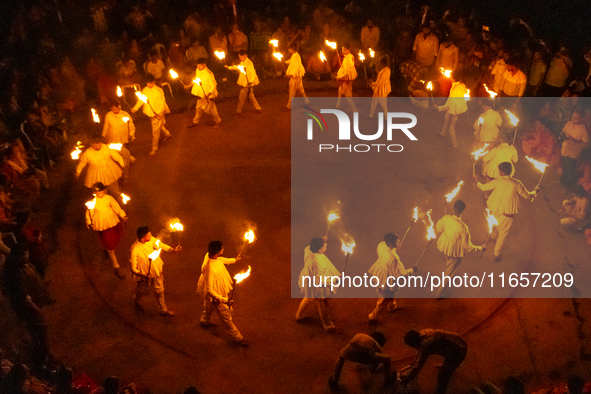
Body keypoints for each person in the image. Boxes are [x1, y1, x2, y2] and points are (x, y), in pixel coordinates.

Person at [476, 162, 537, 261]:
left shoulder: (498, 182)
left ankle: (493, 236)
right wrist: (534, 192)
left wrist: (476, 181)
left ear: (502, 172)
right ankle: (496, 253)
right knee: (503, 233)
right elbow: (527, 195)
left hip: (494, 207)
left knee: (494, 225)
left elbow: (483, 187)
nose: (498, 171)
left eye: (499, 170)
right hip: (507, 213)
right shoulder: (516, 183)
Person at [196, 241, 249, 347]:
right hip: (216, 293)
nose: (223, 250)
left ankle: (204, 320)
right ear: (217, 252)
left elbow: (221, 260)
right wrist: (224, 300)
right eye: (222, 249)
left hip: (214, 287)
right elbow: (210, 290)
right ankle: (238, 338)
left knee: (208, 305)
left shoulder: (209, 255)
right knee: (225, 316)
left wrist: (234, 260)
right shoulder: (210, 268)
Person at [435, 200, 484, 298]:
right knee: (449, 274)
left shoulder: (446, 218)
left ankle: (449, 265)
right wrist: (480, 248)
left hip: (445, 246)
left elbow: (438, 229)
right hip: (455, 251)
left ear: (453, 208)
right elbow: (468, 246)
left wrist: (442, 220)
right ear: (463, 211)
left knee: (449, 262)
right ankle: (439, 294)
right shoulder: (463, 227)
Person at [130, 226, 180, 316]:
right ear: (142, 238)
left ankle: (163, 310)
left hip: (156, 270)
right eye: (148, 235)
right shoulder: (135, 249)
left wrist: (172, 250)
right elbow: (133, 268)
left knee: (159, 290)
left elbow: (160, 245)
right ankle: (136, 300)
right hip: (144, 274)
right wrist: (142, 275)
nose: (151, 236)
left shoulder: (151, 239)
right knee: (142, 290)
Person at [400, 329, 468, 394]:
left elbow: (417, 367)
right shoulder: (424, 332)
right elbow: (419, 355)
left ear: (414, 343)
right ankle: (449, 365)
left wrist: (406, 380)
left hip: (459, 351)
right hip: (459, 341)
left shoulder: (426, 345)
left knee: (443, 375)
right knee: (448, 352)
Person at [367, 233, 415, 324]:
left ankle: (392, 306)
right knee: (386, 297)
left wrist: (394, 249)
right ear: (390, 245)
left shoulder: (381, 244)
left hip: (379, 273)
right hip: (387, 279)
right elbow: (399, 275)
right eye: (397, 242)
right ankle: (373, 316)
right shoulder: (394, 259)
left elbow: (387, 252)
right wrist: (412, 270)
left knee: (389, 293)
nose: (399, 242)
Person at [296, 236, 341, 332]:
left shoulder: (308, 249)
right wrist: (333, 281)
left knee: (308, 297)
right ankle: (328, 326)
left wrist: (321, 239)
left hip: (309, 279)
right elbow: (319, 281)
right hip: (318, 286)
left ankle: (298, 315)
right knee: (323, 305)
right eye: (324, 245)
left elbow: (312, 244)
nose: (326, 244)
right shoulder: (318, 262)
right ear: (320, 250)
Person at [328, 332, 394, 392]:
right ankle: (388, 379)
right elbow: (380, 355)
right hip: (366, 355)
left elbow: (349, 346)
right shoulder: (373, 341)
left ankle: (334, 381)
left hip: (351, 352)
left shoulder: (360, 335)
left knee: (340, 358)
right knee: (387, 358)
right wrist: (375, 366)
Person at [86, 182, 127, 278]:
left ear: (104, 190)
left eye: (100, 191)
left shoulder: (109, 198)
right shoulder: (93, 202)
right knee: (110, 246)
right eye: (97, 192)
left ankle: (109, 250)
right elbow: (89, 214)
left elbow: (116, 207)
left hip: (113, 223)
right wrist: (89, 223)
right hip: (102, 226)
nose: (99, 194)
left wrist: (123, 215)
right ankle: (116, 267)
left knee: (116, 237)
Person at [131, 75, 172, 155]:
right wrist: (135, 108)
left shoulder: (158, 90)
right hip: (150, 113)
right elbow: (141, 100)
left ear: (154, 82)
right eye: (147, 83)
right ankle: (167, 134)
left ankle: (154, 148)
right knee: (158, 125)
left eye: (151, 83)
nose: (149, 85)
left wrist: (159, 113)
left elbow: (162, 103)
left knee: (155, 131)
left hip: (158, 113)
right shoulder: (145, 90)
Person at [75, 134, 125, 199]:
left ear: (101, 143)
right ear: (91, 144)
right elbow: (82, 163)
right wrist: (78, 172)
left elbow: (116, 156)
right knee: (99, 187)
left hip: (109, 170)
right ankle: (103, 198)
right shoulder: (87, 153)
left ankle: (115, 195)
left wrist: (122, 163)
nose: (97, 147)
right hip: (95, 173)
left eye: (98, 145)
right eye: (95, 146)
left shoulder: (106, 148)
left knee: (112, 185)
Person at [102, 100, 135, 182]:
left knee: (124, 152)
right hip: (113, 137)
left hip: (123, 137)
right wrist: (103, 136)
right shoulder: (108, 115)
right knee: (114, 152)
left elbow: (130, 125)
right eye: (115, 109)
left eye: (118, 109)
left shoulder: (125, 114)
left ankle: (126, 166)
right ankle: (118, 165)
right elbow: (106, 126)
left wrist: (131, 135)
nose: (117, 111)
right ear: (111, 108)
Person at [560, 110, 589, 190]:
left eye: (576, 118)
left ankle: (568, 187)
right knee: (564, 168)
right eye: (573, 117)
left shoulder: (583, 130)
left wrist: (575, 141)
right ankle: (563, 182)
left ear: (581, 119)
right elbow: (563, 133)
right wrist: (564, 137)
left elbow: (586, 143)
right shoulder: (569, 124)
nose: (573, 119)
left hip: (573, 153)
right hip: (564, 150)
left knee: (570, 171)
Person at [438, 71, 468, 148]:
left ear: (453, 79)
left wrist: (440, 108)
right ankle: (443, 133)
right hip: (458, 109)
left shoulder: (454, 89)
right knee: (446, 117)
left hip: (454, 111)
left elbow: (451, 103)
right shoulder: (462, 85)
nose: (450, 77)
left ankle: (455, 144)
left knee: (451, 128)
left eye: (451, 76)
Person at [226, 50, 262, 114]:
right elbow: (238, 67)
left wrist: (250, 81)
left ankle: (238, 111)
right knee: (251, 96)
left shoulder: (249, 63)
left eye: (242, 57)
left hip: (247, 82)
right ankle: (258, 108)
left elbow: (253, 73)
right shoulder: (243, 61)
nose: (241, 58)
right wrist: (229, 67)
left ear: (246, 55)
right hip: (244, 80)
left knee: (242, 96)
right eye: (240, 57)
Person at [189, 58, 221, 128]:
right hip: (201, 93)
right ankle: (195, 121)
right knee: (198, 107)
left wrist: (208, 94)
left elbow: (214, 85)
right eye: (197, 66)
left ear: (204, 65)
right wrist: (189, 85)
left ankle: (218, 122)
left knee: (212, 110)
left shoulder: (209, 73)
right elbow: (196, 79)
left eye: (200, 66)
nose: (198, 67)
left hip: (209, 94)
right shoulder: (197, 70)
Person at [285, 43, 308, 110]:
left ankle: (289, 106)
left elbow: (295, 66)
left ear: (292, 49)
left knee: (292, 91)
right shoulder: (296, 55)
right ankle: (307, 102)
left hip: (295, 76)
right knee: (301, 89)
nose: (289, 50)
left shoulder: (295, 55)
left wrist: (290, 74)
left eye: (289, 49)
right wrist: (286, 62)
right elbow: (293, 62)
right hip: (299, 76)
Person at [336, 43, 358, 111]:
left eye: (345, 50)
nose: (343, 51)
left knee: (348, 95)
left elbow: (347, 72)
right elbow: (345, 67)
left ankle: (354, 109)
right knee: (340, 90)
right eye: (342, 49)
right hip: (344, 77)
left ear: (349, 50)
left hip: (346, 78)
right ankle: (338, 104)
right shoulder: (347, 57)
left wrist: (339, 77)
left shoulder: (349, 58)